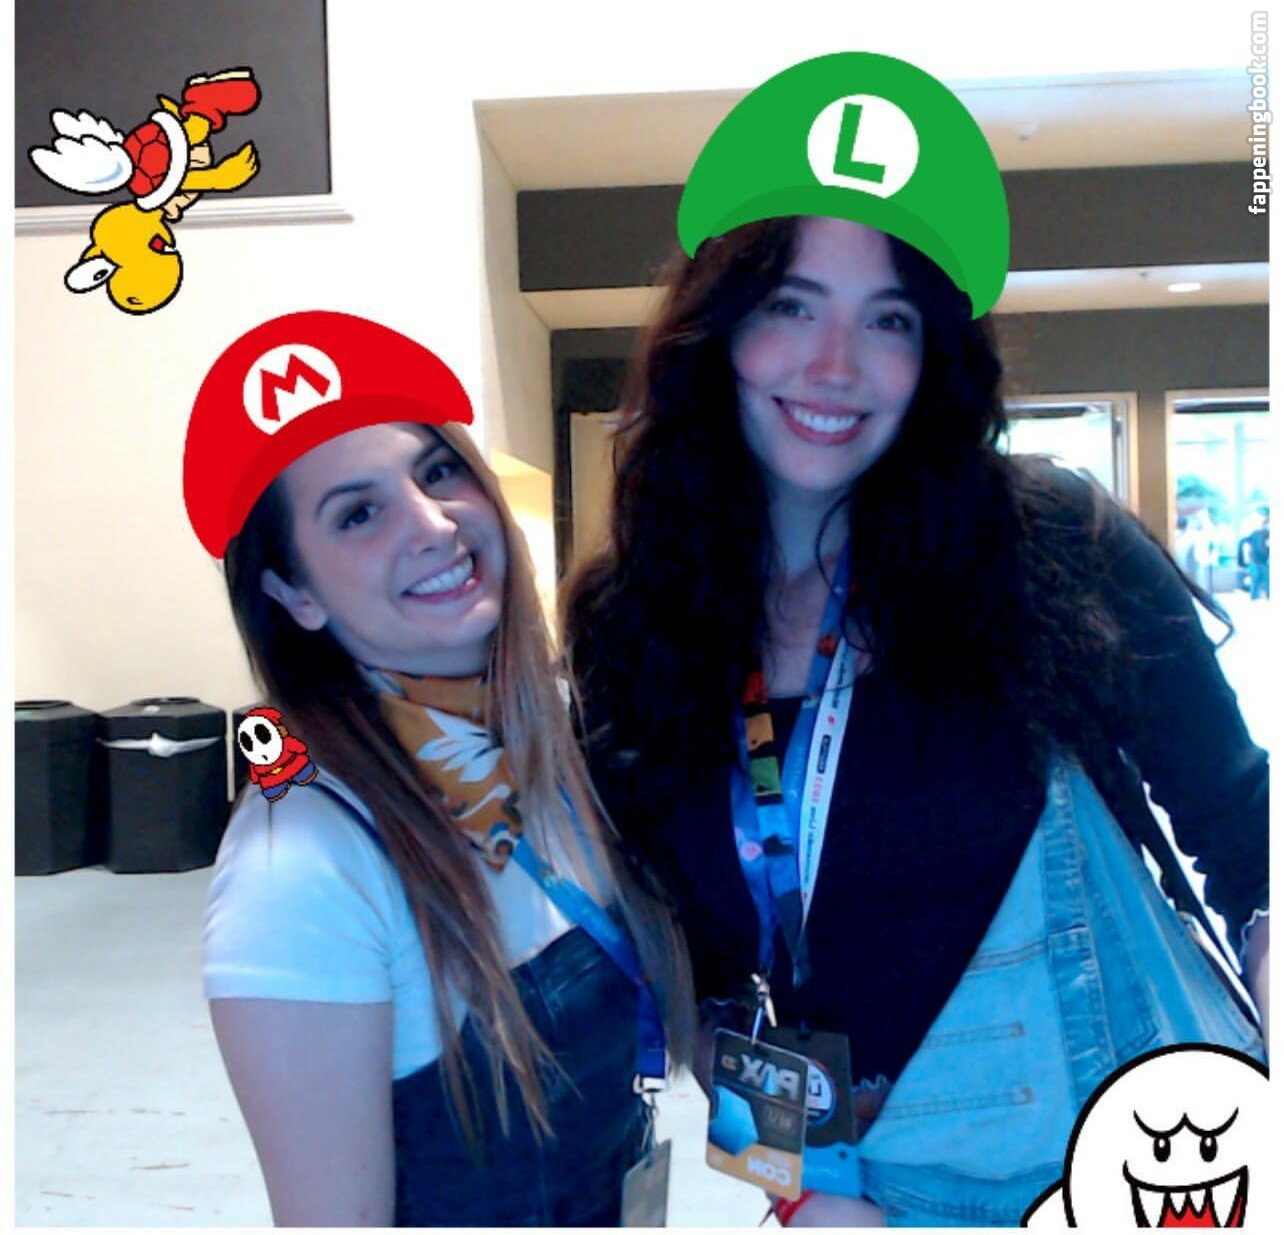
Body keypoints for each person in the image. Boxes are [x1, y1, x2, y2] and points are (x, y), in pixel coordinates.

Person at [564, 213, 1269, 1227]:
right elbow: (712, 982)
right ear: (716, 330)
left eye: (888, 318)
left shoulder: (1043, 545)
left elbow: (1250, 839)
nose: (836, 364)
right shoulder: (637, 624)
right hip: (870, 1192)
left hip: (1138, 1163)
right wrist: (805, 1189)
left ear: (932, 351)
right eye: (791, 306)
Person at [187, 311, 693, 1227]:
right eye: (358, 513)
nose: (432, 524)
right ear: (294, 592)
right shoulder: (298, 870)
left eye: (437, 471)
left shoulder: (557, 745)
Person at [1237, 507, 1270, 600]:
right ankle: (1257, 598)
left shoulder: (1258, 533)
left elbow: (1244, 542)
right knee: (1261, 580)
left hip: (1258, 561)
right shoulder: (1261, 533)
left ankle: (1256, 598)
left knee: (1258, 581)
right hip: (1259, 561)